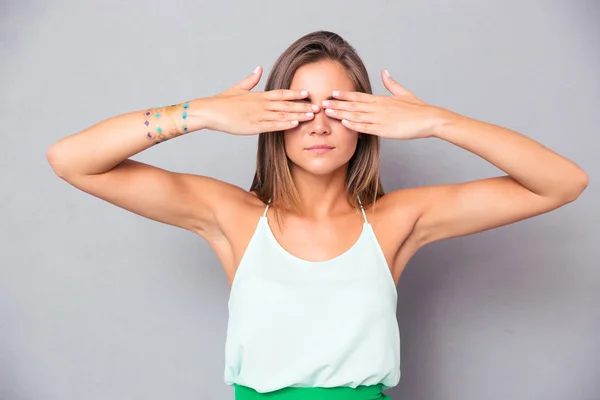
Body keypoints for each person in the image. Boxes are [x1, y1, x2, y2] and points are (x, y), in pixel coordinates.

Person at [46, 30, 588, 400]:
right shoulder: (231, 215)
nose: (319, 124)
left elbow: (564, 183)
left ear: (367, 119)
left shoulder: (399, 220)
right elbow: (71, 160)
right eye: (300, 106)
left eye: (339, 106)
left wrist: (439, 122)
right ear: (271, 117)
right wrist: (204, 113)